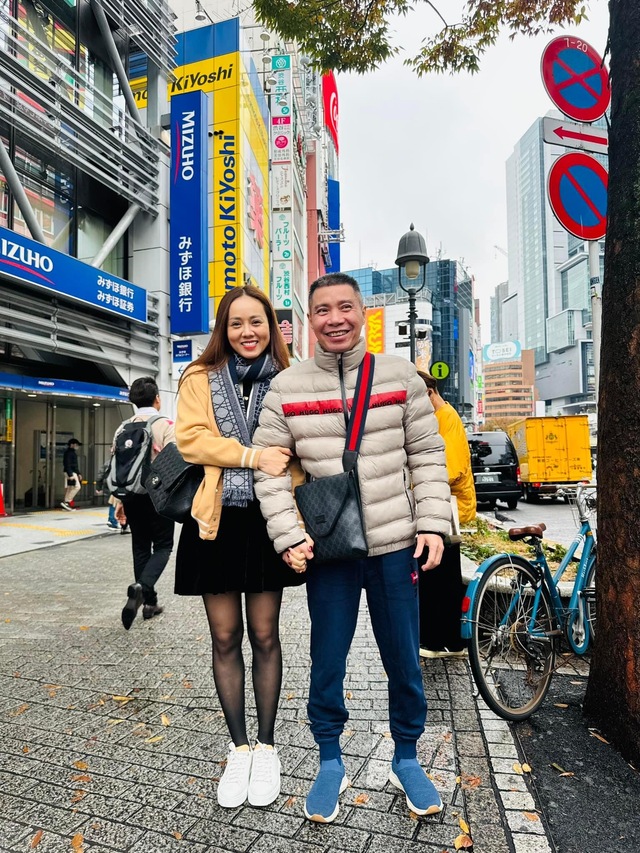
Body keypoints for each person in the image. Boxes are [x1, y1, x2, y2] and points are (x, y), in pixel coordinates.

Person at [253, 272, 451, 824]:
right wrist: (289, 535)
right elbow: (269, 470)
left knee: (404, 659)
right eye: (323, 310)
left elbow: (427, 454)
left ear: (362, 313)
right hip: (330, 551)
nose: (335, 318)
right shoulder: (287, 387)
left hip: (397, 545)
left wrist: (432, 523)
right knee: (327, 659)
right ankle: (330, 759)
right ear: (309, 320)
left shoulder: (400, 377)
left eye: (345, 307)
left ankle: (406, 757)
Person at [174, 285, 306, 811]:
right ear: (222, 330)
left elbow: (301, 446)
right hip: (216, 520)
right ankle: (239, 748)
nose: (247, 332)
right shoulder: (198, 377)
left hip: (269, 521)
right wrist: (253, 456)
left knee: (265, 634)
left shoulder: (290, 379)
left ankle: (267, 747)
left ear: (271, 326)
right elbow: (191, 439)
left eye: (256, 322)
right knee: (225, 636)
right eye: (236, 323)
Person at [417, 372, 476, 658]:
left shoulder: (447, 418)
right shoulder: (438, 418)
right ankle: (439, 640)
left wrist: (416, 481)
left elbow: (450, 469)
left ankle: (445, 643)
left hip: (447, 509)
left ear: (430, 392)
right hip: (440, 507)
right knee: (435, 575)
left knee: (440, 576)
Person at [114, 377, 175, 629]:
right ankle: (143, 587)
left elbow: (118, 468)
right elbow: (175, 462)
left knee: (140, 547)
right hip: (157, 494)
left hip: (131, 496)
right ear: (157, 398)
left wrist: (118, 501)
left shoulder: (122, 428)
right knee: (163, 546)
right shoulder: (166, 425)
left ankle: (149, 602)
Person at [61, 438, 82, 511]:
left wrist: (78, 473)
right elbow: (67, 464)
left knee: (70, 488)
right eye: (76, 445)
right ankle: (67, 501)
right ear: (72, 445)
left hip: (71, 472)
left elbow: (75, 465)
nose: (77, 446)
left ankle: (66, 504)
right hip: (71, 472)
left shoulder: (71, 453)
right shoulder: (69, 453)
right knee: (77, 487)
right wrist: (70, 474)